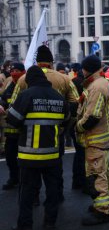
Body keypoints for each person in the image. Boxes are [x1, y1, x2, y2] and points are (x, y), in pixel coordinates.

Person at [11, 45, 79, 203]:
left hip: (28, 136)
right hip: (55, 132)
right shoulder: (63, 78)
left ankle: (33, 198)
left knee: (29, 173)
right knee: (55, 170)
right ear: (51, 62)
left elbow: (14, 104)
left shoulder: (23, 79)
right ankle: (57, 196)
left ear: (37, 61)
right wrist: (64, 124)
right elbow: (76, 102)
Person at [8, 66, 69, 230]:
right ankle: (50, 223)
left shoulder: (26, 95)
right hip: (53, 155)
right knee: (53, 191)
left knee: (27, 193)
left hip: (29, 156)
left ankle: (25, 225)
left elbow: (12, 120)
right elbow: (66, 121)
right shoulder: (58, 97)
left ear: (30, 80)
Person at [76, 55, 109, 226]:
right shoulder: (102, 82)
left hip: (95, 139)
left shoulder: (97, 86)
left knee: (96, 175)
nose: (81, 72)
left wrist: (77, 127)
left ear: (87, 69)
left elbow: (92, 116)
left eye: (83, 69)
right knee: (105, 173)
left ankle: (102, 211)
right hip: (103, 138)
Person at [1, 62, 25, 190]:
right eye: (12, 70)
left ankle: (23, 180)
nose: (13, 73)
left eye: (16, 70)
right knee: (10, 157)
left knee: (23, 159)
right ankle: (13, 178)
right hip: (10, 131)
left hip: (23, 131)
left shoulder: (26, 86)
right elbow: (3, 99)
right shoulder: (10, 86)